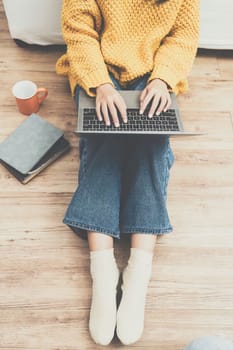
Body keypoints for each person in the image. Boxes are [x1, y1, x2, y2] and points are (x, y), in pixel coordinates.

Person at [56, 0, 199, 346]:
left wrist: (163, 80)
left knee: (151, 146)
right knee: (105, 143)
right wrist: (100, 84)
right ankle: (103, 271)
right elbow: (78, 28)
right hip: (99, 74)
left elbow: (183, 36)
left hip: (153, 76)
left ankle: (138, 270)